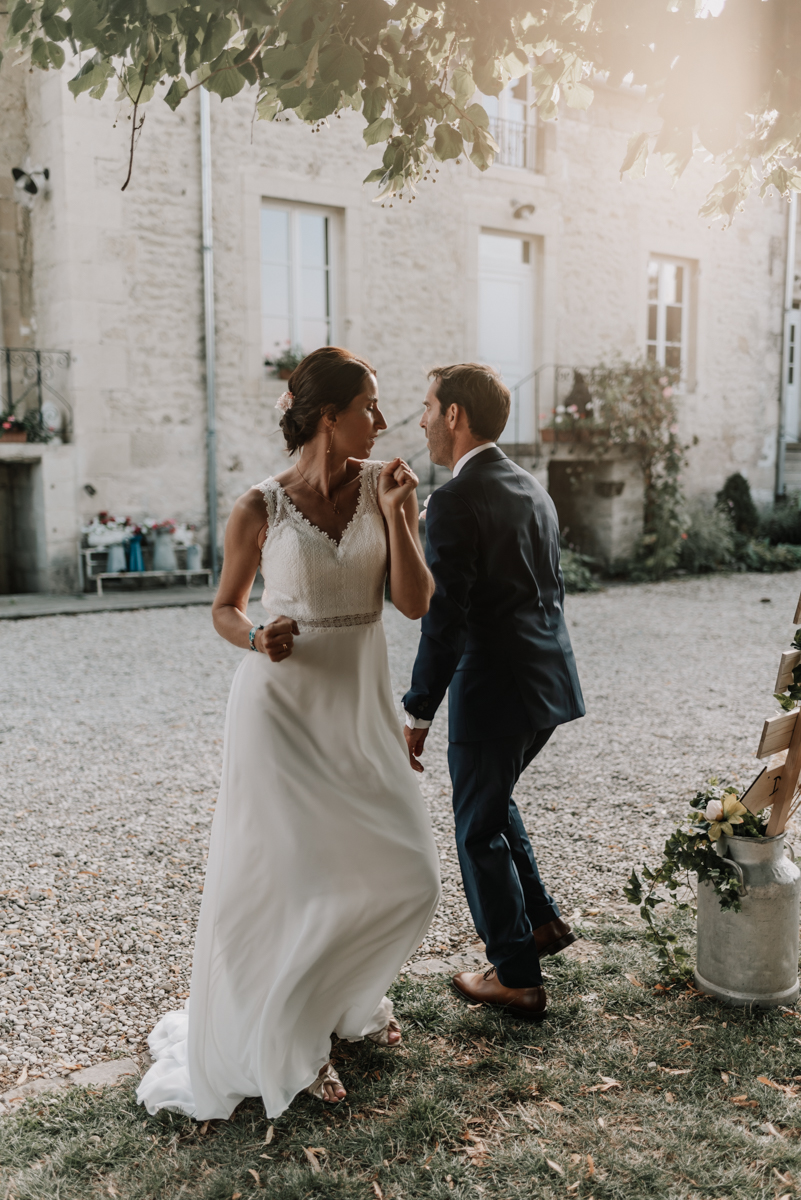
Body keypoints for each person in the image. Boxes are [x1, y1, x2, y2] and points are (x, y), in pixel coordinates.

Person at [137, 347, 440, 1119]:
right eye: (369, 405)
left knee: (408, 873)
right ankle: (295, 1043)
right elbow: (225, 607)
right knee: (294, 877)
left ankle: (348, 998)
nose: (381, 418)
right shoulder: (258, 506)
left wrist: (403, 517)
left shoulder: (385, 488)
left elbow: (412, 603)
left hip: (360, 707)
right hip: (280, 710)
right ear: (328, 415)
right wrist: (252, 637)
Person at [402, 363, 584, 1021]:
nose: (419, 419)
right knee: (492, 799)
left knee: (477, 826)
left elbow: (444, 613)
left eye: (425, 406)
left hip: (495, 689)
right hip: (548, 681)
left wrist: (419, 706)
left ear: (454, 415)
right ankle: (538, 924)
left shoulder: (454, 499)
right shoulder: (530, 485)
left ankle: (515, 975)